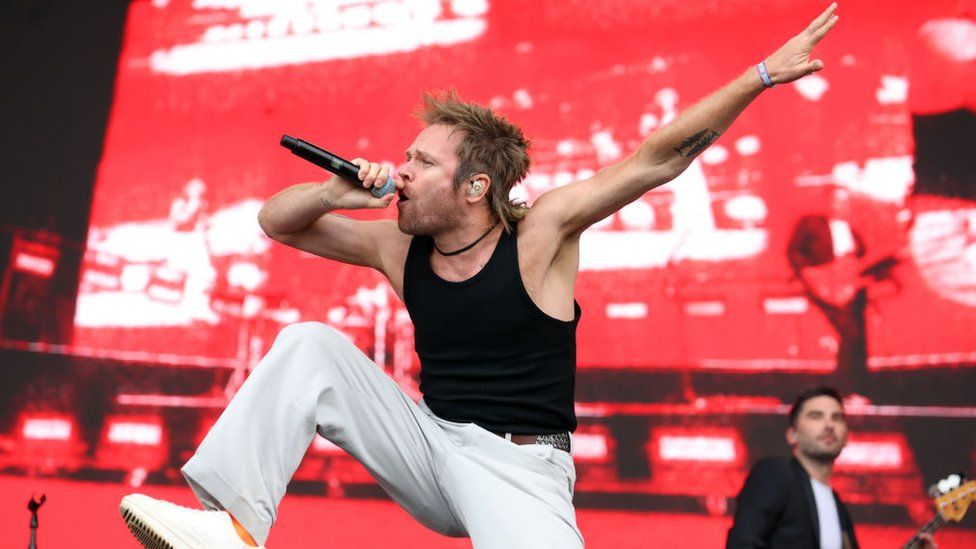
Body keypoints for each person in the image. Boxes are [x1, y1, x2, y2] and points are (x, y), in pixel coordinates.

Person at [119, 5, 841, 548]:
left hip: (520, 469)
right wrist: (338, 192)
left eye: (421, 163)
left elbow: (659, 157)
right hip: (432, 446)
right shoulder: (396, 247)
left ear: (474, 187)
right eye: (405, 156)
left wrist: (763, 75)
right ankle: (233, 527)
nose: (400, 170)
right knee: (310, 346)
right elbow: (278, 221)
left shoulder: (540, 235)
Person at [726, 386, 936, 549]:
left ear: (846, 438)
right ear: (792, 434)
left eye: (837, 418)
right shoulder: (775, 474)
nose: (829, 424)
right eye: (816, 416)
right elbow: (743, 543)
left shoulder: (839, 510)